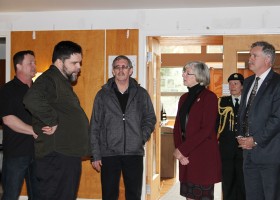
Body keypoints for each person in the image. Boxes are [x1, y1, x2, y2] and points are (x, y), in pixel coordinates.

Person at [23, 41, 90, 200]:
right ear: (59, 62)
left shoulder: (61, 82)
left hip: (65, 155)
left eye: (79, 62)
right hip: (57, 156)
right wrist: (52, 120)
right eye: (74, 63)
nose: (78, 67)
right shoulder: (50, 78)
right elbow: (31, 98)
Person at [89, 55, 156, 200]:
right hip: (109, 153)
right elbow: (95, 125)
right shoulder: (102, 95)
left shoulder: (141, 94)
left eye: (124, 67)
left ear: (131, 70)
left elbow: (150, 118)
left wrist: (141, 137)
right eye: (117, 67)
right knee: (109, 194)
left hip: (134, 153)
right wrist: (95, 154)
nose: (121, 70)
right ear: (113, 71)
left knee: (133, 194)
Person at [237, 41, 280, 199]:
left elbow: (277, 119)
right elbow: (244, 113)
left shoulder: (277, 83)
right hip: (248, 155)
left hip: (270, 155)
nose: (250, 58)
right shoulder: (248, 83)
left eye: (255, 55)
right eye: (250, 55)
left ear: (268, 60)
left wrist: (255, 140)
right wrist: (241, 135)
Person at [173, 61, 221, 200]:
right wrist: (179, 151)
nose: (183, 75)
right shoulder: (183, 98)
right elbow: (177, 128)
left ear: (199, 77)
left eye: (187, 73)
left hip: (202, 156)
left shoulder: (209, 97)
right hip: (185, 157)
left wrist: (182, 150)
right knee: (189, 196)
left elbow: (206, 130)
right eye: (184, 72)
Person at [0, 50, 39, 200]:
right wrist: (34, 130)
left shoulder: (38, 90)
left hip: (38, 153)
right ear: (19, 66)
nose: (34, 65)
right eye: (31, 63)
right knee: (10, 195)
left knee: (38, 195)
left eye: (34, 62)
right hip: (16, 154)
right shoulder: (7, 90)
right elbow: (8, 119)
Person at [217, 73, 245, 200]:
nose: (232, 86)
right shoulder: (222, 102)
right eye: (230, 84)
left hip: (243, 149)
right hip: (226, 149)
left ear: (242, 86)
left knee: (243, 182)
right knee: (227, 183)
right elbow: (216, 124)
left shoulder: (248, 101)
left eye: (236, 83)